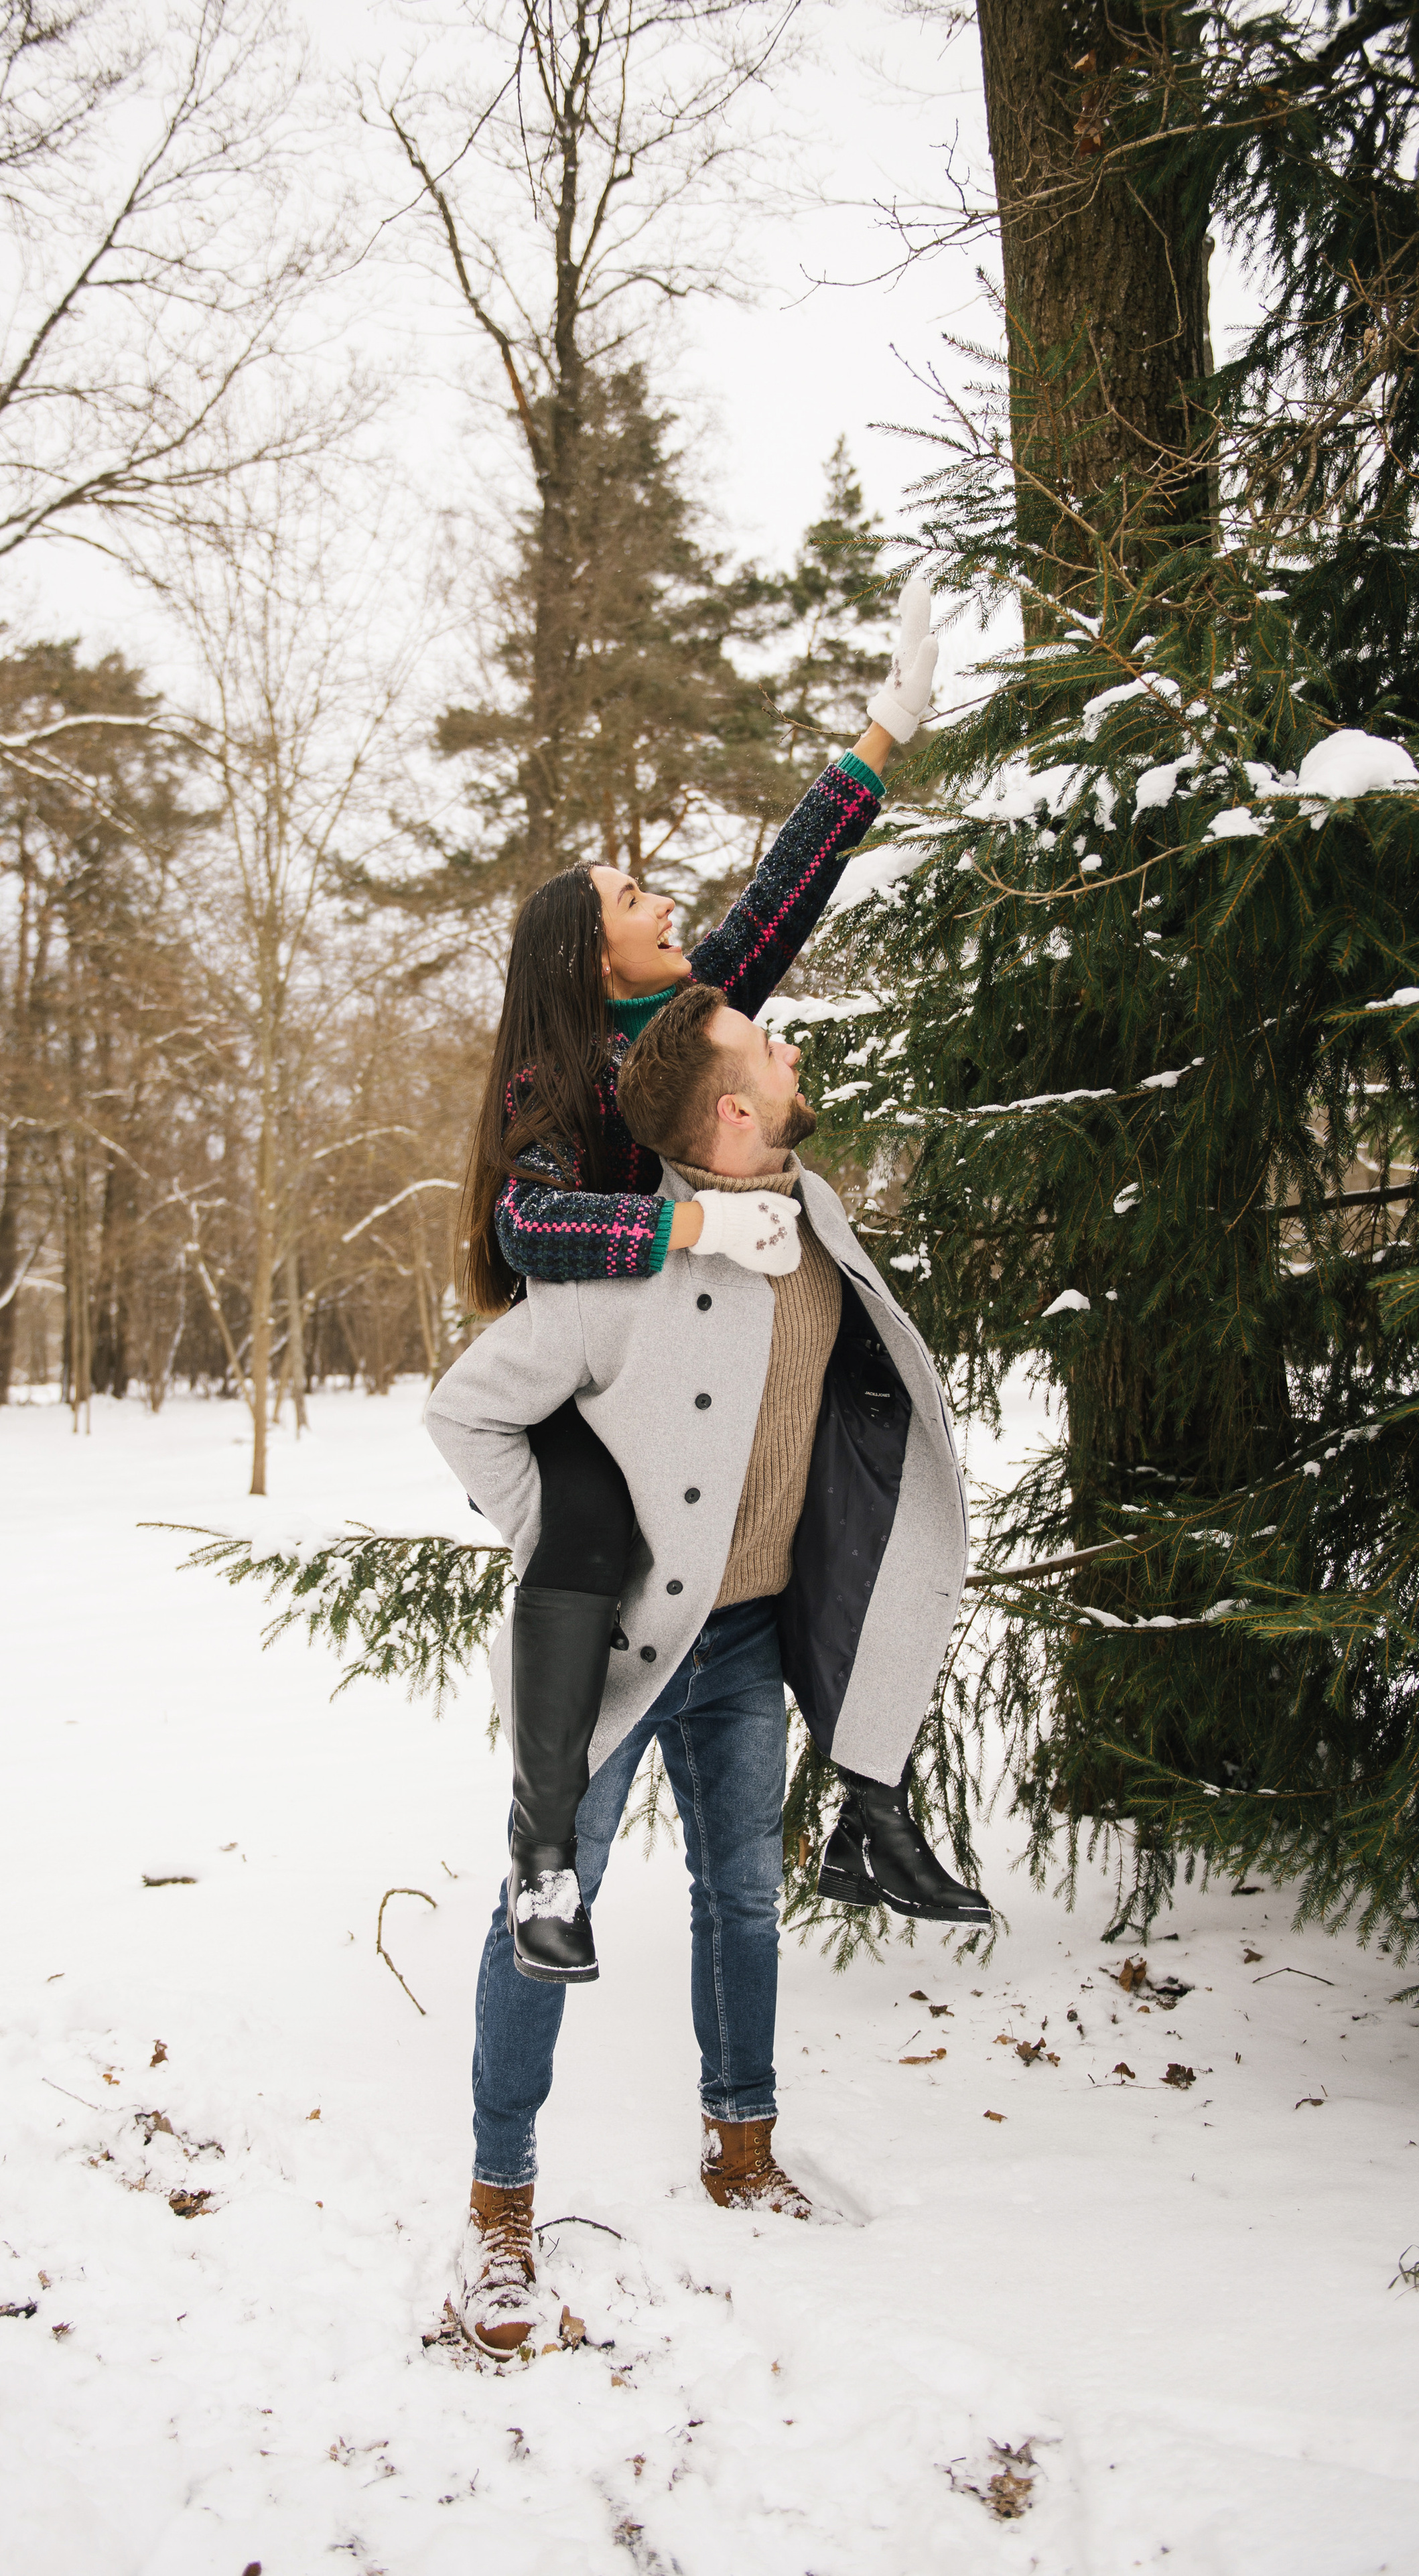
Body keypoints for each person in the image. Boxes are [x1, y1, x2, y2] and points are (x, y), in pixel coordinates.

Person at [425, 977, 990, 2354]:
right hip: (623, 1652)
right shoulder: (615, 1269)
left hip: (746, 1635)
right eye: (765, 1044)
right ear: (731, 1109)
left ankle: (742, 2148)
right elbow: (464, 1411)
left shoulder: (816, 1219)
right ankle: (500, 2202)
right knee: (545, 1902)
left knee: (741, 1897)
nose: (793, 1047)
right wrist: (567, 1542)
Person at [454, 580, 943, 1986]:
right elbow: (528, 1226)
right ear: (585, 950)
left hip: (694, 1369)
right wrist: (686, 1231)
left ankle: (866, 1800)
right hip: (582, 1389)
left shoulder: (686, 1021)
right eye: (630, 897)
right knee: (586, 1529)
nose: (662, 900)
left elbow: (781, 892)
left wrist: (878, 737)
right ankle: (547, 1850)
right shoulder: (551, 1078)